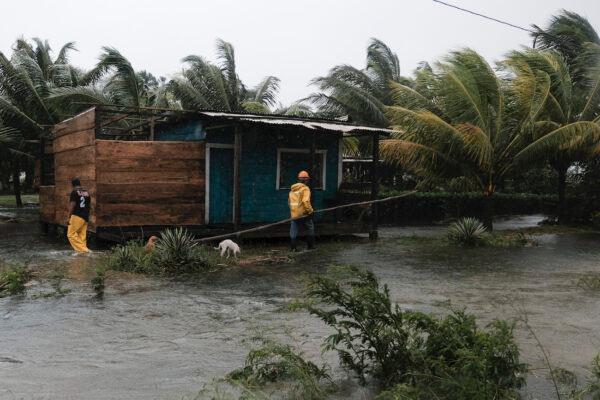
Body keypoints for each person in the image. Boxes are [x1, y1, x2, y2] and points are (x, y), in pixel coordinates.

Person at [288, 170, 315, 251]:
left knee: (293, 229)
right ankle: (310, 246)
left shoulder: (293, 189)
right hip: (303, 213)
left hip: (294, 214)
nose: (308, 181)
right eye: (307, 180)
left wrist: (293, 211)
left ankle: (293, 248)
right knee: (310, 227)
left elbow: (289, 202)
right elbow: (305, 201)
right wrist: (310, 211)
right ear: (305, 180)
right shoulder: (305, 189)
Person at [67, 178, 91, 253]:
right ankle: (82, 255)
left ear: (72, 185)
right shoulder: (87, 192)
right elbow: (89, 205)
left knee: (71, 234)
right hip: (85, 217)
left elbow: (72, 205)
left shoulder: (74, 192)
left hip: (77, 215)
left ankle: (85, 251)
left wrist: (69, 216)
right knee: (81, 236)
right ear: (79, 184)